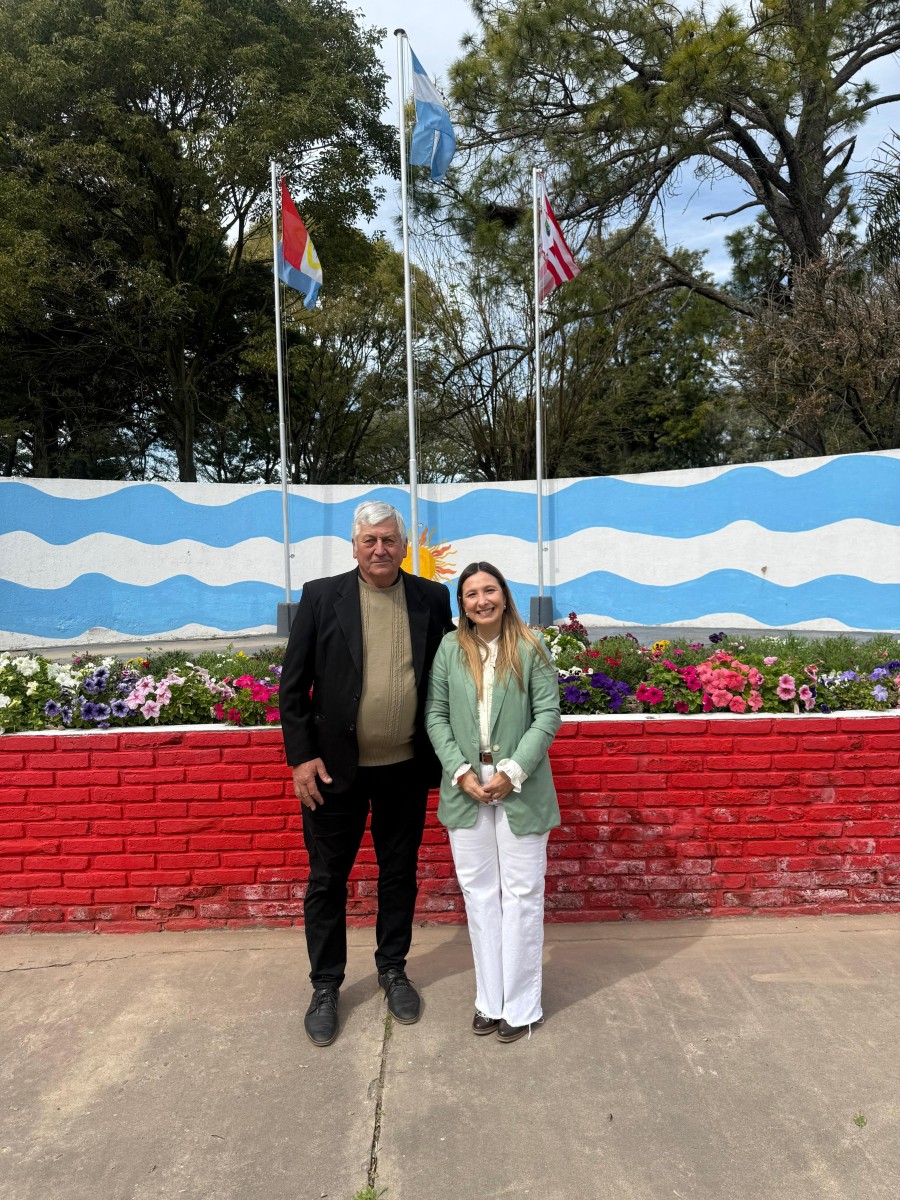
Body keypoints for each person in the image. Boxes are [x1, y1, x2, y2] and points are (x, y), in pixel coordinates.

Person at [280, 500, 455, 1047]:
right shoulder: (319, 596)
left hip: (404, 767)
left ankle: (393, 969)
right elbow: (293, 686)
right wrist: (301, 756)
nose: (379, 549)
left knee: (398, 874)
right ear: (354, 546)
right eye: (369, 541)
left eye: (389, 540)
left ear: (405, 546)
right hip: (333, 772)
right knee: (327, 881)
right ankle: (326, 985)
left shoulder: (431, 596)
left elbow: (451, 672)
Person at [424, 561, 561, 1043]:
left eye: (489, 590)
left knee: (522, 896)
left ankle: (522, 1006)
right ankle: (490, 999)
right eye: (470, 594)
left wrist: (512, 772)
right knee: (480, 897)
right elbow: (435, 716)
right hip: (466, 785)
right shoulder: (448, 649)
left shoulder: (530, 647)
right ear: (461, 604)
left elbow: (548, 716)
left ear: (504, 594)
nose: (481, 600)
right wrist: (461, 772)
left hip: (519, 784)